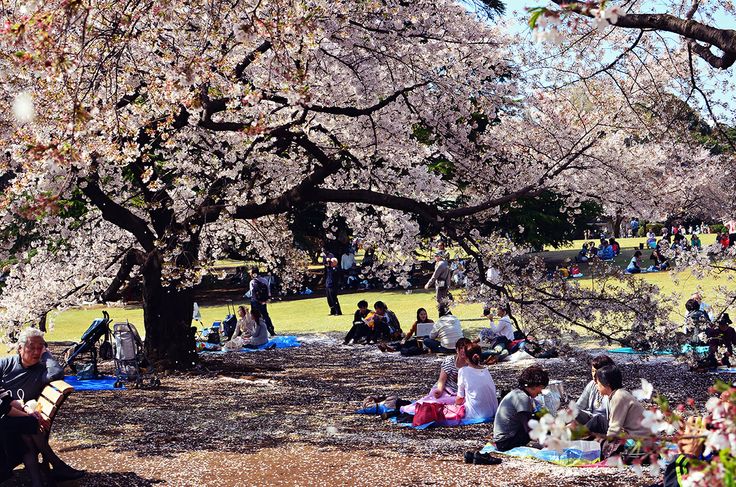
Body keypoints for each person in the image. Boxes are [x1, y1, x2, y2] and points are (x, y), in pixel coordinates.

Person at [0, 328, 84, 485]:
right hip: (10, 419)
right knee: (28, 427)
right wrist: (26, 412)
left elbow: (56, 373)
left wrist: (46, 354)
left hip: (18, 420)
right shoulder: (5, 364)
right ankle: (56, 467)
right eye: (31, 347)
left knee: (26, 431)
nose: (36, 351)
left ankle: (40, 480)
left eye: (40, 347)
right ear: (20, 348)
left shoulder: (40, 371)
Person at [594, 365, 651, 458]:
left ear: (607, 384)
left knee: (598, 430)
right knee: (597, 421)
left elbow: (614, 428)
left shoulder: (618, 397)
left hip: (640, 443)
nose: (596, 386)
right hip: (636, 437)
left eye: (598, 383)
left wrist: (606, 443)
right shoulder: (619, 394)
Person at [493, 366, 549, 451]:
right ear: (534, 385)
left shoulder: (520, 394)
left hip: (505, 439)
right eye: (541, 387)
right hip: (505, 443)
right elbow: (528, 427)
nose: (541, 391)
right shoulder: (522, 398)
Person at [456, 342, 498, 420]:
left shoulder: (463, 371)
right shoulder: (485, 370)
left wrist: (454, 404)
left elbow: (460, 398)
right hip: (493, 411)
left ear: (465, 356)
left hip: (475, 414)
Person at [574, 355, 615, 435]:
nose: (594, 375)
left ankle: (577, 436)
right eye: (592, 371)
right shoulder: (592, 384)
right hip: (590, 418)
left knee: (597, 419)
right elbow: (579, 405)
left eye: (597, 372)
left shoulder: (612, 388)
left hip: (605, 423)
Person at [248, 267, 275, 336]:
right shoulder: (264, 280)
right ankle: (271, 329)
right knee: (265, 315)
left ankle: (257, 331)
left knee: (255, 316)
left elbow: (252, 293)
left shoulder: (252, 282)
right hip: (263, 301)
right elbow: (268, 291)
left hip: (255, 301)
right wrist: (266, 299)